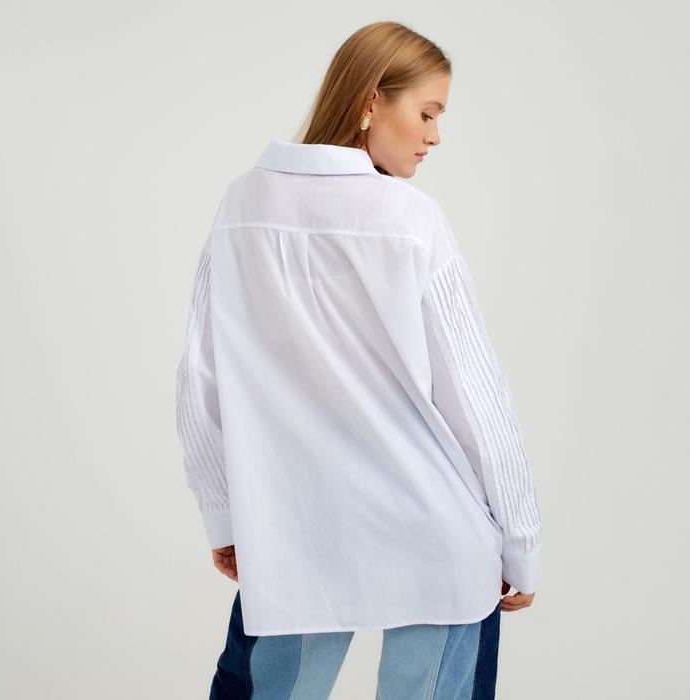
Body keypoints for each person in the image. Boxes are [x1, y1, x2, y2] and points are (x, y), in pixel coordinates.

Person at [175, 20, 544, 700]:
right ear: (372, 100)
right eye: (427, 113)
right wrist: (520, 540)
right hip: (437, 531)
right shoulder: (412, 219)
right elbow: (476, 396)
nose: (435, 136)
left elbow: (201, 380)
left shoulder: (241, 206)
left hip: (293, 532)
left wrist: (225, 513)